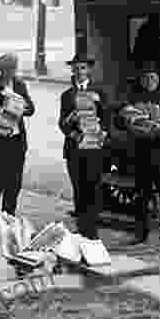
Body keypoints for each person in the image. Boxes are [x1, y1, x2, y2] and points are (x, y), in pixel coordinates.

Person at [119, 61, 160, 248]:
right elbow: (122, 122)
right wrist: (129, 123)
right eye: (145, 78)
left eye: (153, 77)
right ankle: (140, 234)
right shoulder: (133, 98)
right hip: (141, 154)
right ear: (141, 80)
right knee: (141, 197)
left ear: (158, 79)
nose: (149, 81)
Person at [0, 53, 35, 216]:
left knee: (14, 185)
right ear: (1, 70)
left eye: (13, 69)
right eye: (7, 70)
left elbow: (31, 109)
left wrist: (20, 106)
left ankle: (9, 218)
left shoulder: (19, 86)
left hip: (16, 143)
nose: (11, 73)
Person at [59, 53, 109, 239]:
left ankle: (92, 231)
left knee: (93, 188)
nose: (79, 72)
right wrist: (72, 131)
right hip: (75, 149)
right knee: (79, 189)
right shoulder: (67, 95)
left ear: (89, 70)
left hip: (94, 148)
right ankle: (82, 229)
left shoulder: (99, 92)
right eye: (76, 68)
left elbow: (107, 119)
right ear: (72, 70)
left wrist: (103, 133)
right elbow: (62, 124)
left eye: (83, 68)